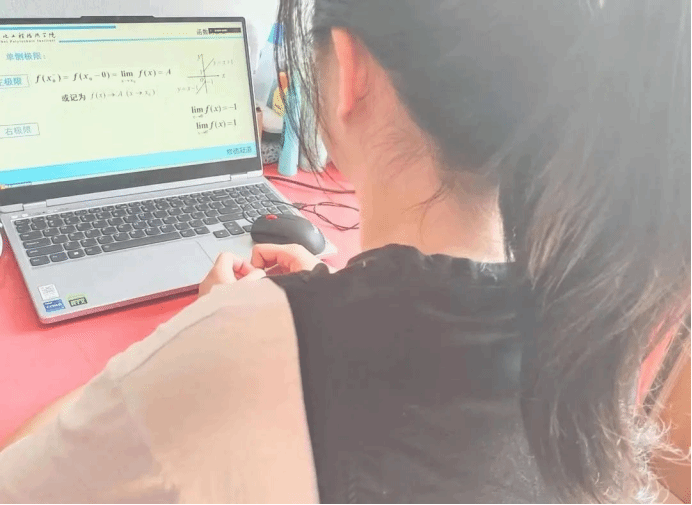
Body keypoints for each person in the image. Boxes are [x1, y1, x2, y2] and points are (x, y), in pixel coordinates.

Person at [1, 0, 690, 502]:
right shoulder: (595, 312)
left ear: (352, 69)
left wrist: (193, 339)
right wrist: (323, 293)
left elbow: (23, 477)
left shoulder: (239, 343)